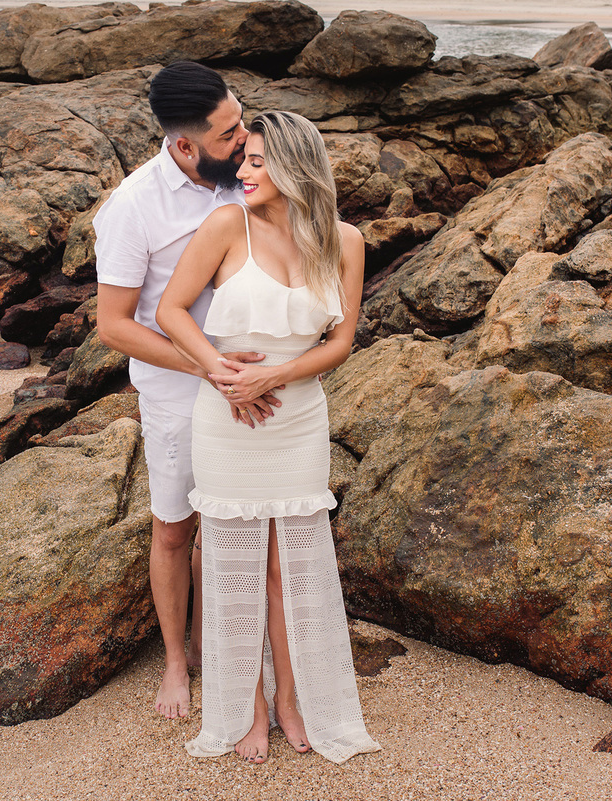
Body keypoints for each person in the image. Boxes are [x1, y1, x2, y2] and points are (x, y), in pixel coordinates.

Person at [156, 111, 381, 764]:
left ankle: (289, 697)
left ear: (294, 166)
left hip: (300, 418)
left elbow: (340, 340)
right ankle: (248, 708)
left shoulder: (345, 240)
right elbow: (172, 310)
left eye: (257, 161)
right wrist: (224, 373)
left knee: (288, 569)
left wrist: (278, 374)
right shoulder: (228, 226)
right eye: (242, 160)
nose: (243, 172)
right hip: (226, 418)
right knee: (232, 569)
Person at [94, 61, 280, 720]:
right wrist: (208, 367)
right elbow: (113, 325)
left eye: (241, 122)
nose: (244, 139)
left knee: (241, 521)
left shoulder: (246, 175)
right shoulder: (134, 207)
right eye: (229, 133)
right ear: (183, 144)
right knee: (175, 529)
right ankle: (177, 660)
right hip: (178, 390)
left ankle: (224, 642)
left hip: (251, 377)